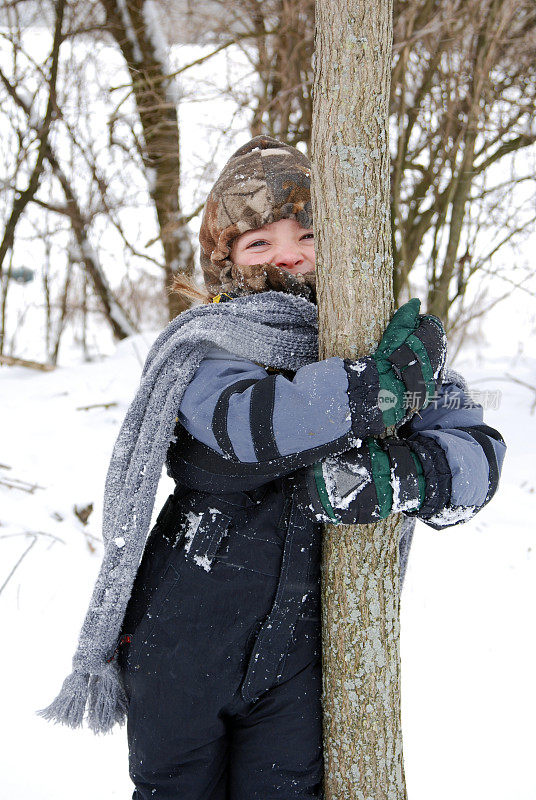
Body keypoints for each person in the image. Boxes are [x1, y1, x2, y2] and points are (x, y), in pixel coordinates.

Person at [41, 135, 504, 799]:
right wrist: (374, 393)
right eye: (258, 242)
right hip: (181, 645)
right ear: (227, 260)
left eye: (307, 233)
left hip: (303, 663)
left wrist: (406, 474)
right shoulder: (208, 346)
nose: (287, 254)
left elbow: (478, 455)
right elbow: (257, 424)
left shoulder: (386, 346)